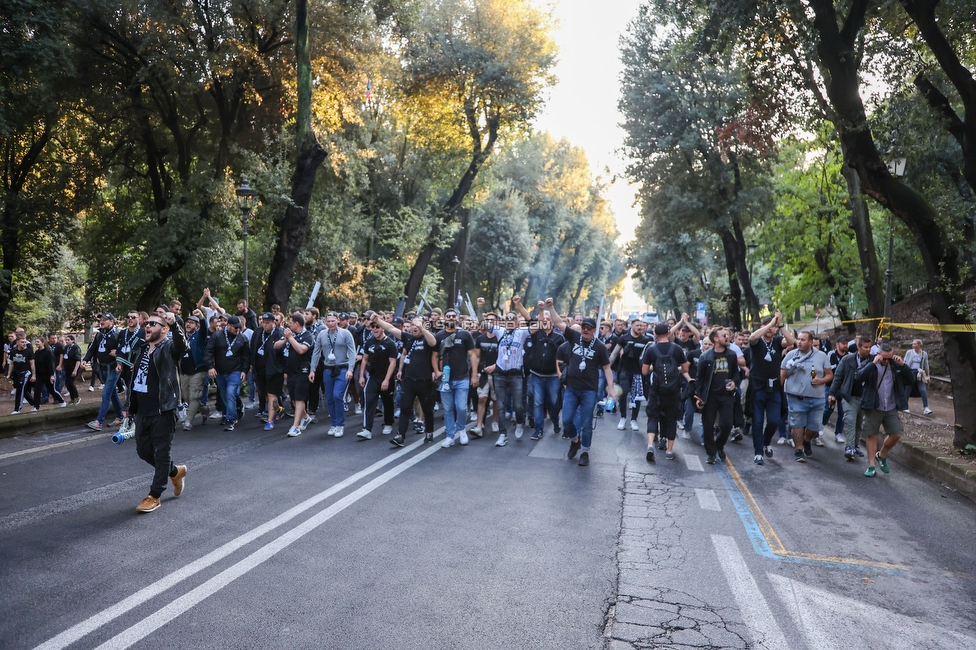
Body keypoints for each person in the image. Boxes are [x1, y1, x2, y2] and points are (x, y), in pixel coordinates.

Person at [125, 310, 188, 513]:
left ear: (164, 329)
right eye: (147, 323)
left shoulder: (169, 348)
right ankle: (175, 471)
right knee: (143, 451)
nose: (148, 326)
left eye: (154, 323)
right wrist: (130, 407)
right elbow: (134, 381)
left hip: (164, 409)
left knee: (161, 454)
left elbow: (182, 345)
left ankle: (154, 495)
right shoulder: (141, 349)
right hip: (142, 410)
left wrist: (175, 322)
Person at [549, 300, 615, 467]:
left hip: (589, 391)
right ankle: (575, 441)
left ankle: (585, 451)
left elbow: (607, 368)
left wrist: (611, 389)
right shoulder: (574, 337)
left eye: (588, 328)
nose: (585, 330)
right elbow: (557, 322)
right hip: (571, 388)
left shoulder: (600, 347)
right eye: (583, 327)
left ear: (594, 331)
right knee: (567, 420)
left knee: (586, 423)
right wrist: (551, 307)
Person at [376, 316, 438, 446]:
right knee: (405, 408)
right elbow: (390, 328)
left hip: (424, 380)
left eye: (417, 325)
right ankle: (400, 436)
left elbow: (433, 343)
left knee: (427, 408)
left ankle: (429, 432)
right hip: (408, 379)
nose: (415, 327)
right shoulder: (407, 338)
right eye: (413, 325)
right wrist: (377, 320)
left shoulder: (427, 338)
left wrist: (423, 329)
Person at [856, 342, 914, 477]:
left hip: (891, 406)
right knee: (872, 435)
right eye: (884, 358)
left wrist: (903, 365)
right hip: (874, 405)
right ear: (878, 354)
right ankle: (871, 466)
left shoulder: (895, 365)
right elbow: (858, 377)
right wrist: (873, 364)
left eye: (889, 358)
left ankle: (881, 455)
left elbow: (910, 380)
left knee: (896, 433)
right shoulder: (870, 362)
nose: (886, 361)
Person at [747, 312, 795, 462]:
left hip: (774, 387)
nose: (770, 329)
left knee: (774, 420)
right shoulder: (757, 343)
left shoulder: (778, 342)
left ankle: (766, 441)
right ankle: (758, 452)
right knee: (758, 421)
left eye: (772, 327)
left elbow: (791, 341)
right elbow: (752, 338)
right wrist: (770, 323)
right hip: (758, 387)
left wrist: (779, 325)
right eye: (767, 326)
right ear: (762, 327)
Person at [780, 331, 832, 463]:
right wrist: (781, 389)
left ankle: (806, 440)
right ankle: (798, 449)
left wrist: (821, 381)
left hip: (816, 397)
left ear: (810, 342)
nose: (799, 342)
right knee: (797, 424)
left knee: (815, 427)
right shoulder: (791, 354)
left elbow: (829, 374)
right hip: (796, 396)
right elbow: (783, 372)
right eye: (798, 339)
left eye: (803, 340)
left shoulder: (822, 356)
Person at [641, 322, 689, 462]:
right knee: (671, 419)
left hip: (656, 388)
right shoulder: (677, 349)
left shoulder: (651, 349)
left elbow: (644, 371)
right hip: (673, 390)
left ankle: (650, 445)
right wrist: (676, 370)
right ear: (669, 333)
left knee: (653, 416)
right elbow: (685, 368)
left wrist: (653, 368)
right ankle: (669, 451)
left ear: (655, 334)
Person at [694, 328, 741, 464]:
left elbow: (736, 374)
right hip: (710, 396)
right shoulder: (706, 356)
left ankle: (719, 445)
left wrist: (734, 382)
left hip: (726, 396)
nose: (727, 337)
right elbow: (700, 379)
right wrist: (699, 397)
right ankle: (711, 453)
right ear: (716, 339)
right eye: (724, 335)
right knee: (708, 426)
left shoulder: (731, 355)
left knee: (727, 424)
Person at [434, 308, 478, 448]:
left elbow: (473, 355)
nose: (451, 318)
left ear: (457, 319)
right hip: (445, 379)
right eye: (448, 316)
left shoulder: (465, 334)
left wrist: (474, 374)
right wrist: (436, 371)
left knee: (461, 407)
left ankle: (462, 429)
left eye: (454, 316)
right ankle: (450, 436)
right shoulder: (439, 335)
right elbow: (434, 356)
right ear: (444, 319)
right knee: (447, 409)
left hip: (462, 377)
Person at [309, 312, 356, 437]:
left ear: (338, 321)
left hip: (342, 368)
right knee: (329, 397)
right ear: (325, 322)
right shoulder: (322, 334)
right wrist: (312, 369)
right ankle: (333, 424)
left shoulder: (345, 333)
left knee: (337, 395)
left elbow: (352, 352)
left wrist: (351, 369)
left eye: (333, 321)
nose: (330, 323)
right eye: (328, 321)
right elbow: (316, 352)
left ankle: (340, 425)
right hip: (327, 368)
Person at [829, 335, 873, 461]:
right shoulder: (848, 359)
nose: (868, 350)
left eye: (870, 347)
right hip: (849, 396)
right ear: (859, 347)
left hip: (865, 397)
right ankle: (849, 447)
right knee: (850, 420)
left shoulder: (873, 360)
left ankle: (856, 445)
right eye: (865, 347)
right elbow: (838, 376)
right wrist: (832, 393)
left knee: (859, 423)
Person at [205, 314, 251, 431]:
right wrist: (211, 367)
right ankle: (238, 406)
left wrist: (244, 371)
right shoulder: (217, 336)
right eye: (235, 327)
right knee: (225, 395)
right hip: (220, 371)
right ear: (229, 326)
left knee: (230, 393)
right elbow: (209, 351)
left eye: (239, 328)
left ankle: (231, 419)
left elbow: (246, 357)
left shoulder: (242, 338)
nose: (238, 330)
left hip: (235, 371)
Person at [357, 317, 398, 440]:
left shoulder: (390, 343)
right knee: (369, 402)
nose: (374, 329)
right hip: (373, 377)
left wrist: (386, 380)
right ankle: (366, 429)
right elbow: (364, 359)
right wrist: (361, 376)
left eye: (377, 327)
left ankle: (388, 422)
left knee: (387, 401)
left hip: (386, 377)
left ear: (383, 328)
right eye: (372, 327)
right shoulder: (369, 342)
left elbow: (393, 363)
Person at [609, 319, 652, 432]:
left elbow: (651, 356)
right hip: (625, 370)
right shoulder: (624, 338)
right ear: (632, 326)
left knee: (636, 396)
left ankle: (634, 420)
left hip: (638, 372)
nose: (639, 327)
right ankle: (623, 417)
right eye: (637, 325)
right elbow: (614, 353)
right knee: (623, 394)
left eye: (641, 326)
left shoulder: (647, 340)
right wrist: (607, 368)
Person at [276, 313, 315, 437]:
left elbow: (301, 349)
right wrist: (286, 339)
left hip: (302, 371)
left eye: (291, 322)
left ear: (297, 324)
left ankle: (295, 426)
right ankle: (305, 417)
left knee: (299, 398)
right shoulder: (289, 335)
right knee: (293, 398)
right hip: (291, 370)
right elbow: (275, 346)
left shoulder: (308, 336)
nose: (288, 324)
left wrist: (291, 338)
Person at [85, 314, 123, 431]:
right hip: (103, 368)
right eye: (101, 320)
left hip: (114, 368)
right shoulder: (99, 335)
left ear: (111, 321)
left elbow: (124, 349)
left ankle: (98, 422)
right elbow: (92, 349)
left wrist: (117, 355)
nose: (102, 322)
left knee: (106, 393)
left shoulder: (117, 334)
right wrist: (84, 359)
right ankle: (121, 416)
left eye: (105, 320)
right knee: (112, 393)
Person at [252, 312, 285, 429]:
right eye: (263, 323)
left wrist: (283, 370)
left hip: (274, 371)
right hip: (260, 370)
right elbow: (253, 348)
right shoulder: (257, 332)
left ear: (273, 322)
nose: (264, 325)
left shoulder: (279, 334)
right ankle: (278, 409)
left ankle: (270, 420)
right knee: (264, 394)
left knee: (272, 395)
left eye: (267, 323)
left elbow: (282, 354)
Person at [179, 315, 209, 430]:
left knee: (194, 397)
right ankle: (204, 409)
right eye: (187, 322)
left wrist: (201, 318)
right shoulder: (182, 337)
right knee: (186, 397)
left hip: (198, 370)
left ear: (197, 326)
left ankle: (188, 421)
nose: (188, 324)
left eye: (192, 323)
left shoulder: (200, 336)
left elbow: (204, 329)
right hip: (185, 372)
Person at [471, 319, 501, 439]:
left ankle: (494, 421)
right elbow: (476, 356)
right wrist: (474, 373)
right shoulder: (480, 338)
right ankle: (479, 425)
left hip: (497, 373)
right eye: (487, 320)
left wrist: (495, 366)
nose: (489, 322)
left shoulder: (500, 338)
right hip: (483, 373)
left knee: (495, 399)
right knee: (482, 398)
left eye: (492, 320)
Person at [822, 335, 849, 444]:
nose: (845, 345)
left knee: (843, 412)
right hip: (831, 387)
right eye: (843, 343)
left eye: (846, 343)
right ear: (837, 344)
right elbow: (827, 369)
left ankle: (838, 433)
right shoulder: (831, 355)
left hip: (844, 390)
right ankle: (821, 426)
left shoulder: (849, 356)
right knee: (829, 408)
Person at [31, 337, 66, 409]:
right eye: (36, 342)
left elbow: (51, 364)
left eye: (38, 342)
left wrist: (52, 375)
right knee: (37, 390)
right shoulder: (37, 352)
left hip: (47, 374)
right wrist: (34, 374)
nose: (36, 343)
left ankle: (62, 401)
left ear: (43, 343)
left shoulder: (48, 352)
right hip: (39, 375)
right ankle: (36, 406)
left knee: (52, 390)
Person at [7, 335, 36, 414]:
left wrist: (34, 375)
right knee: (23, 391)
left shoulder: (29, 352)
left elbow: (32, 364)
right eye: (22, 342)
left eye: (25, 342)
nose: (24, 344)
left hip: (26, 373)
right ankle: (35, 403)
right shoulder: (13, 352)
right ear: (17, 343)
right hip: (17, 373)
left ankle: (17, 409)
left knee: (20, 390)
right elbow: (11, 364)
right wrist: (9, 374)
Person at [903, 339, 932, 415]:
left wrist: (928, 376)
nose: (913, 345)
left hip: (919, 373)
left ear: (919, 345)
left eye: (915, 344)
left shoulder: (924, 354)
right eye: (913, 344)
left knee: (923, 389)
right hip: (910, 372)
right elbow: (905, 362)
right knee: (908, 390)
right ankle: (904, 406)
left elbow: (926, 365)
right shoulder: (909, 352)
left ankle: (926, 407)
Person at [62, 335, 83, 405]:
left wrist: (75, 370)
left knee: (71, 382)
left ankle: (76, 397)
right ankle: (72, 398)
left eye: (68, 340)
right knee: (67, 383)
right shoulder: (66, 348)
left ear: (72, 340)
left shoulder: (76, 348)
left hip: (74, 368)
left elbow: (78, 360)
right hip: (67, 368)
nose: (67, 341)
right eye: (66, 340)